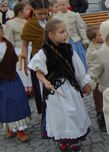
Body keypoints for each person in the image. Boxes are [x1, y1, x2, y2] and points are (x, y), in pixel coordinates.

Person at [28, 19, 92, 152]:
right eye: (62, 32)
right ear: (51, 35)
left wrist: (84, 83)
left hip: (70, 87)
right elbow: (38, 71)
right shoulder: (44, 52)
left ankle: (74, 139)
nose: (65, 34)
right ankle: (63, 140)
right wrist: (44, 81)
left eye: (65, 31)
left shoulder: (69, 49)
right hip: (55, 91)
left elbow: (78, 69)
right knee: (60, 116)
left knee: (73, 112)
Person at [0, 24, 31, 142]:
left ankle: (20, 130)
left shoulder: (7, 44)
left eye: (0, 30)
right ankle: (9, 128)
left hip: (12, 78)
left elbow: (12, 58)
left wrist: (20, 57)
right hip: (1, 80)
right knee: (4, 104)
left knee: (17, 100)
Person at [87, 19, 109, 132]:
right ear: (106, 36)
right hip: (108, 89)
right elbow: (93, 72)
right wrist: (87, 85)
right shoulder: (99, 54)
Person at [21, 0, 50, 114]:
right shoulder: (29, 25)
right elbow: (24, 43)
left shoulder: (51, 21)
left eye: (45, 13)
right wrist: (24, 56)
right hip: (38, 56)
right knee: (41, 84)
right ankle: (45, 110)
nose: (43, 16)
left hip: (52, 55)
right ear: (33, 10)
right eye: (40, 14)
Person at [4, 2, 32, 96]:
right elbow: (9, 40)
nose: (28, 11)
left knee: (30, 69)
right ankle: (24, 90)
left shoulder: (29, 22)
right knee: (21, 71)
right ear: (20, 11)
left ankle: (32, 88)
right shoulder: (10, 23)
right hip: (18, 50)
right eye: (26, 9)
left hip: (29, 49)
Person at [54, 0, 89, 70]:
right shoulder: (56, 18)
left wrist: (84, 39)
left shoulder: (74, 15)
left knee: (80, 59)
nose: (61, 7)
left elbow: (81, 28)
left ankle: (83, 72)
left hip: (76, 41)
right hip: (64, 42)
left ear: (68, 5)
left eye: (63, 4)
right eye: (59, 5)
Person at [85, 25, 105, 131]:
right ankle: (100, 117)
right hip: (97, 78)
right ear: (94, 39)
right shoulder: (92, 50)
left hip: (106, 77)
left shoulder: (103, 45)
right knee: (99, 99)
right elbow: (93, 65)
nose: (102, 36)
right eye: (100, 35)